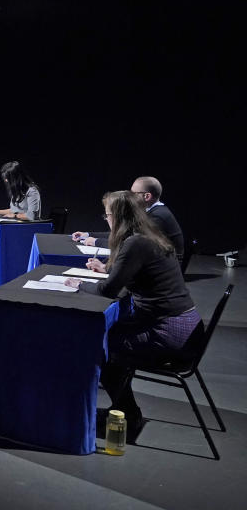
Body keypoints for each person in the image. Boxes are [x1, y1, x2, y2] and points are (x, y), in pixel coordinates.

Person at [64, 191, 203, 443]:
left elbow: (108, 290)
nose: (106, 220)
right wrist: (108, 268)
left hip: (172, 333)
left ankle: (129, 413)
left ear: (117, 217)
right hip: (187, 325)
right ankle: (125, 409)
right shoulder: (149, 236)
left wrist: (78, 284)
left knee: (103, 346)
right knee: (110, 334)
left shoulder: (135, 243)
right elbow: (138, 275)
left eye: (106, 215)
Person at [71, 176, 184, 263]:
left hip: (163, 268)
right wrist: (88, 234)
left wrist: (96, 242)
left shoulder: (157, 217)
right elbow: (123, 234)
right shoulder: (149, 212)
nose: (130, 197)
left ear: (147, 196)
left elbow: (128, 246)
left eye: (133, 194)